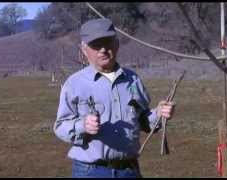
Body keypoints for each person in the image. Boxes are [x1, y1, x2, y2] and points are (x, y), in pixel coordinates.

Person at [53, 18, 175, 178]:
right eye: (96, 45)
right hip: (90, 172)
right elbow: (60, 126)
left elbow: (143, 121)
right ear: (84, 49)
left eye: (108, 42)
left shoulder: (132, 79)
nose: (103, 49)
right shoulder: (74, 84)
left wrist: (159, 114)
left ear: (117, 44)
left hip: (129, 170)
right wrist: (83, 126)